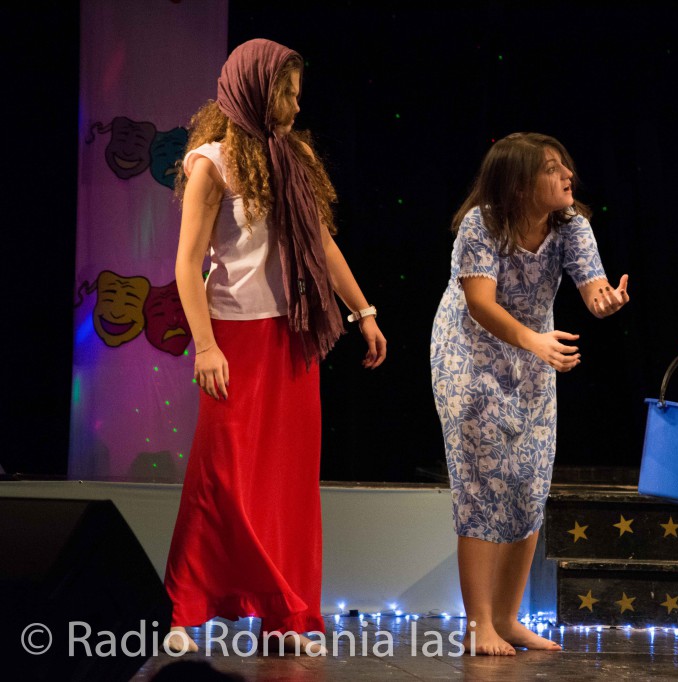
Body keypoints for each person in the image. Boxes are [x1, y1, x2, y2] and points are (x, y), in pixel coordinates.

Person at [163, 38, 386, 655]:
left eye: (295, 91)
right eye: (286, 91)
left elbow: (322, 244)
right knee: (221, 476)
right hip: (233, 337)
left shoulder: (295, 156)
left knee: (288, 484)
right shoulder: (211, 163)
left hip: (293, 336)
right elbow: (186, 264)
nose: (295, 103)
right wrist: (205, 347)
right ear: (255, 91)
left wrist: (363, 311)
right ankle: (186, 609)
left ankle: (290, 616)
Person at [430, 132, 629, 655]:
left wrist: (605, 301)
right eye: (552, 168)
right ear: (519, 184)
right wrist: (534, 341)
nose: (568, 175)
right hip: (469, 356)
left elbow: (593, 288)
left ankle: (507, 617)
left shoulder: (571, 225)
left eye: (565, 165)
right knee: (480, 486)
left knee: (529, 482)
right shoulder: (481, 225)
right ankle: (479, 624)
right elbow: (480, 304)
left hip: (533, 358)